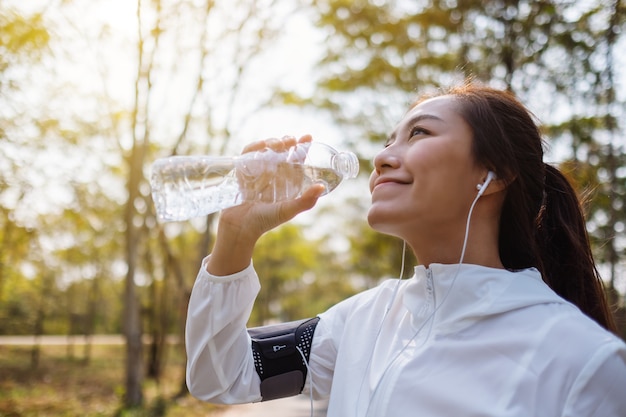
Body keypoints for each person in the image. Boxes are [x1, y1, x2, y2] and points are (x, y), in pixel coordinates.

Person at [184, 83, 626, 416]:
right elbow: (220, 376)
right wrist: (236, 234)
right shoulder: (359, 322)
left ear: (496, 172)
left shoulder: (583, 362)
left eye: (418, 134)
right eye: (388, 141)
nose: (382, 159)